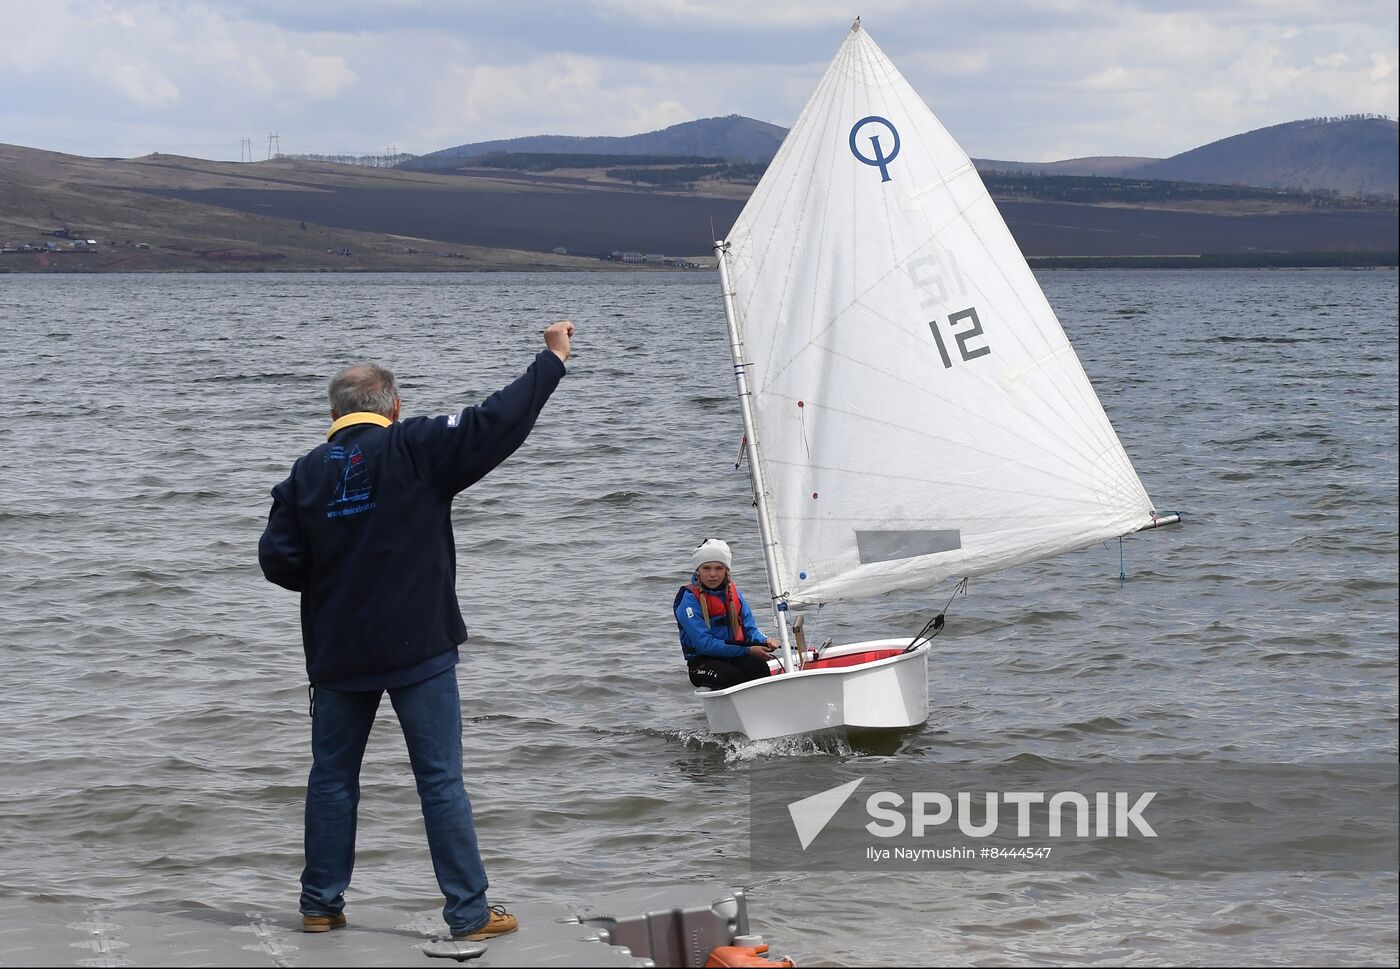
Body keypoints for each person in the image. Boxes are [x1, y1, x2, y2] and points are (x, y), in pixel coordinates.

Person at [257, 319, 574, 941]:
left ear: (333, 411)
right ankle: (467, 912)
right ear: (395, 408)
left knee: (332, 778)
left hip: (338, 652)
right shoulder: (416, 445)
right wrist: (551, 360)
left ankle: (320, 904)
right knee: (439, 779)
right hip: (418, 648)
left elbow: (279, 562)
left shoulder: (304, 474)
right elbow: (495, 420)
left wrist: (336, 579)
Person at [673, 538, 776, 689]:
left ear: (726, 570)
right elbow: (704, 644)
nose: (713, 574)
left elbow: (750, 629)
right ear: (698, 571)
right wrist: (748, 650)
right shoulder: (688, 600)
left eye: (719, 568)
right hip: (702, 662)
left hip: (734, 656)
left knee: (759, 667)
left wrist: (765, 641)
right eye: (707, 568)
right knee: (732, 676)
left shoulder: (734, 593)